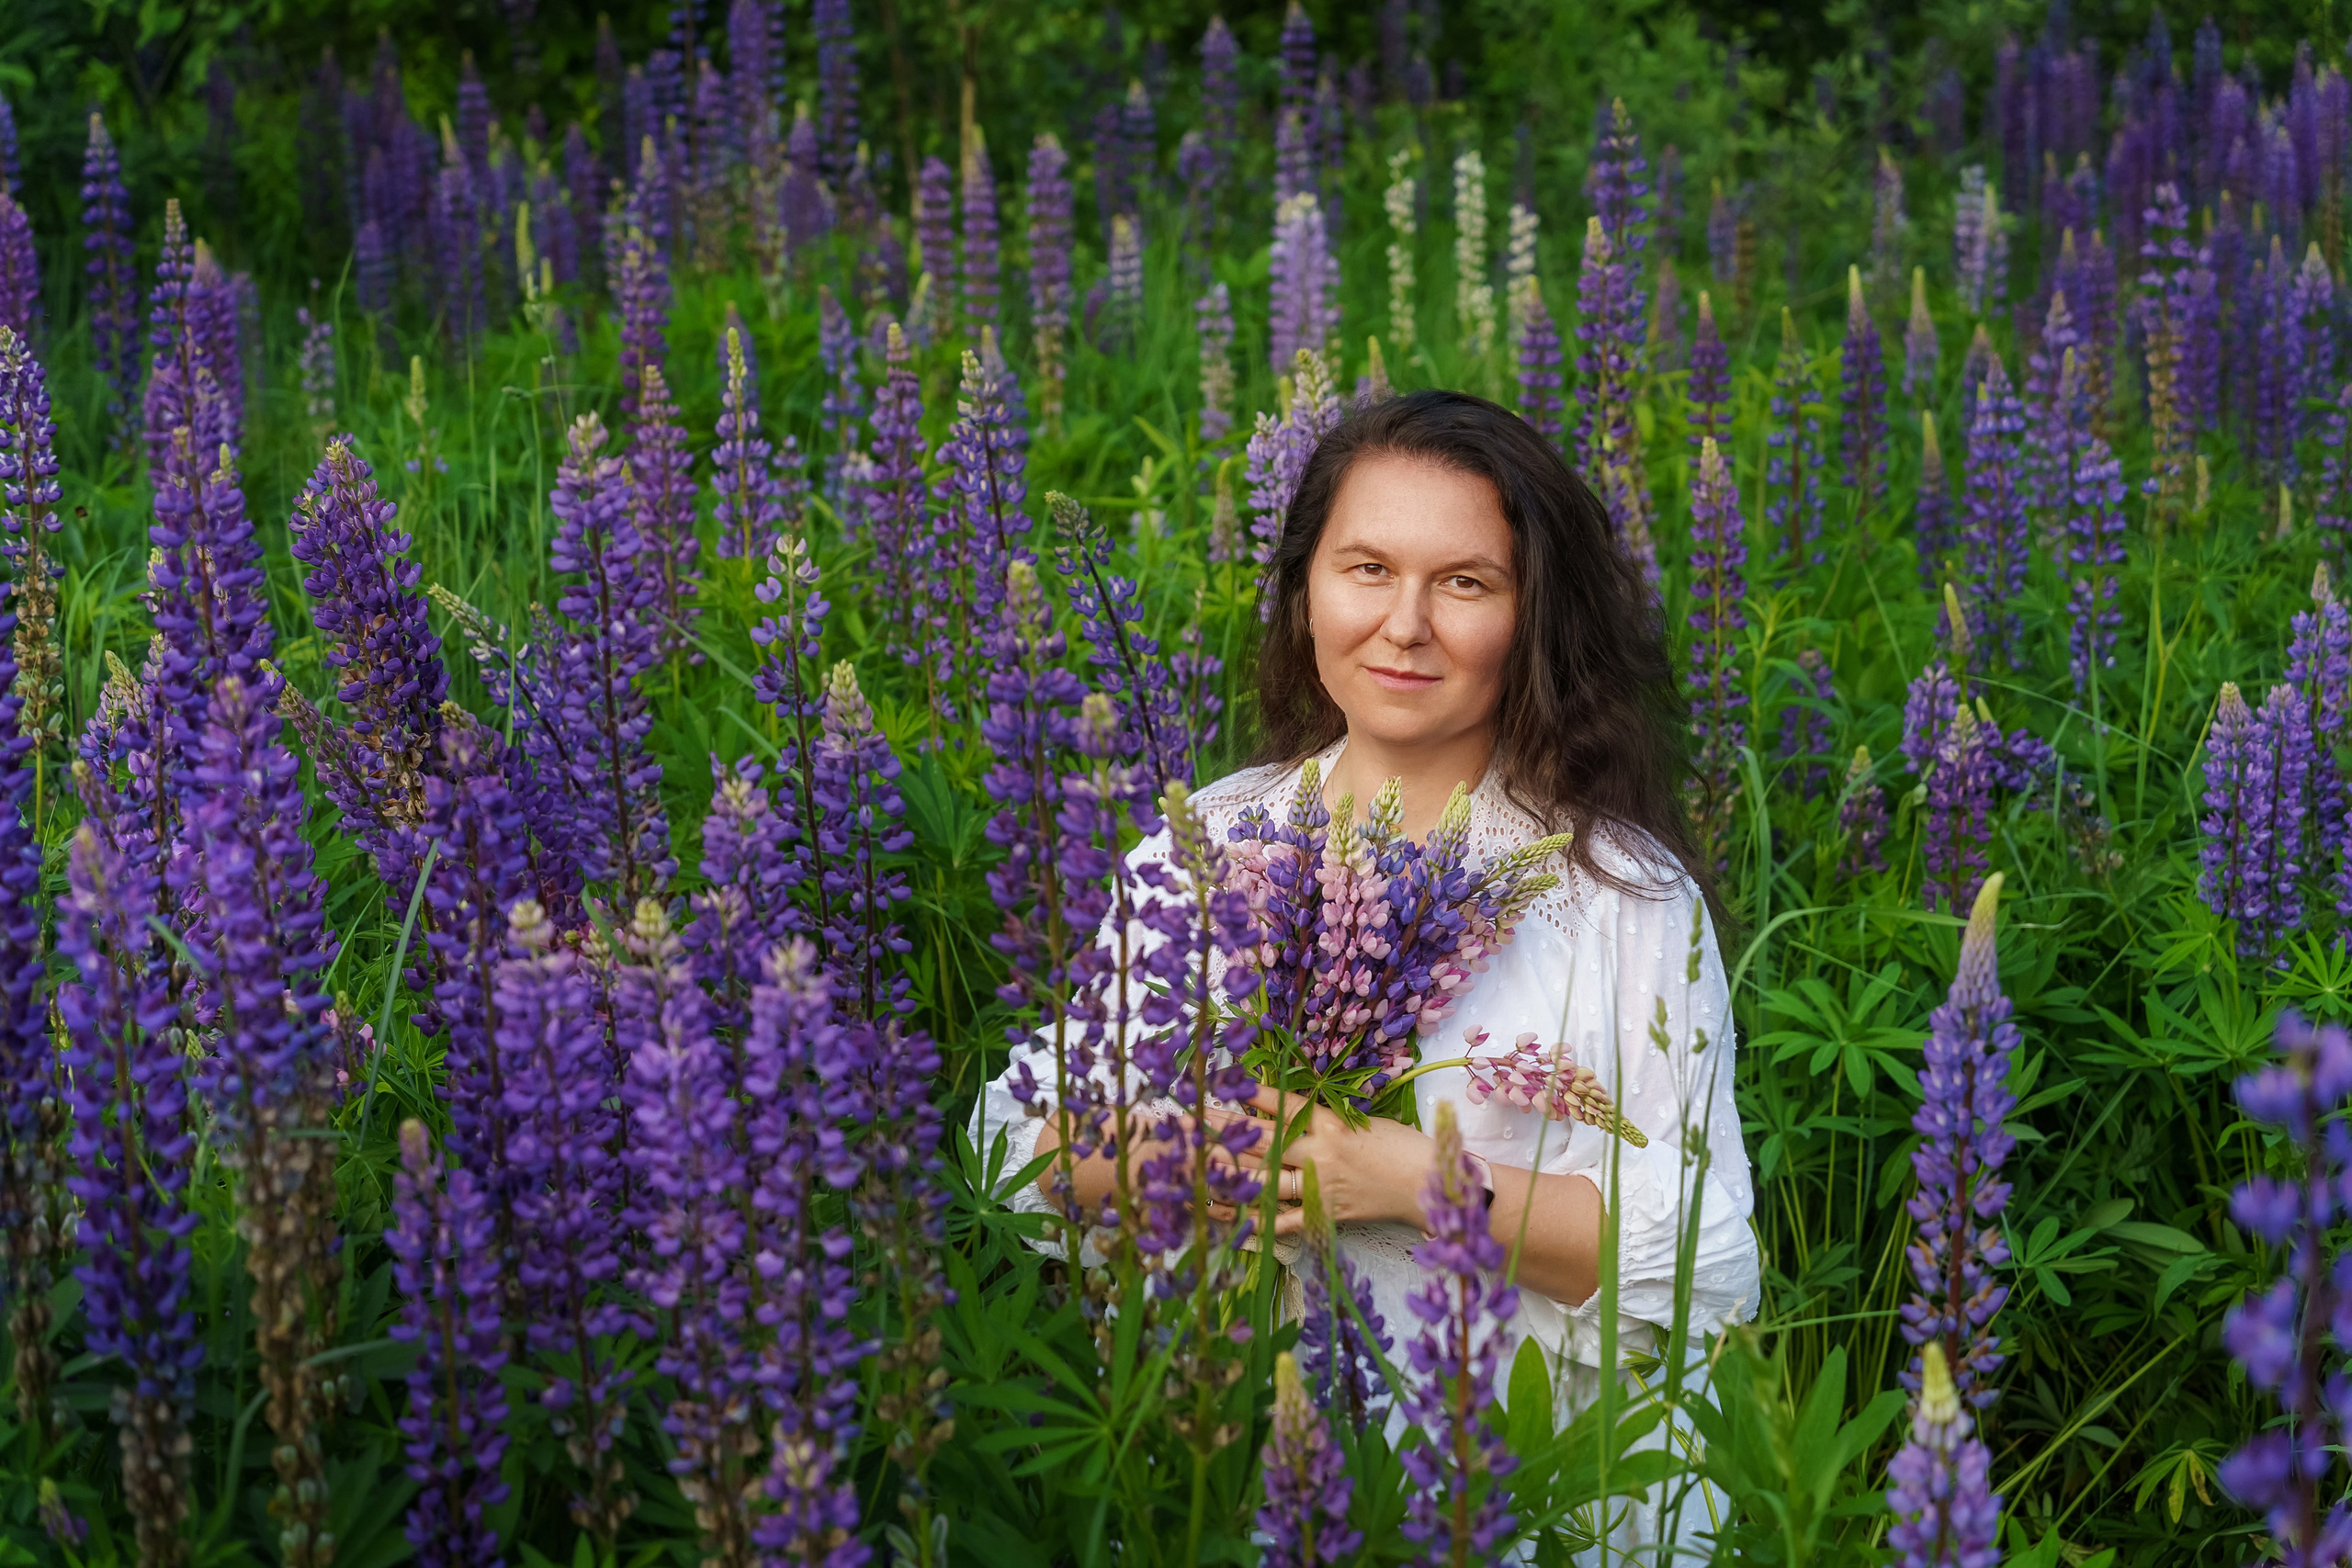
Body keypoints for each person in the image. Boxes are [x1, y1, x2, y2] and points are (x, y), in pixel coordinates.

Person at [972, 389, 1758, 1550]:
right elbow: (1010, 1148)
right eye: (1366, 569)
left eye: (1464, 583)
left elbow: (1702, 1260)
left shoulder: (1621, 899)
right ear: (1304, 592)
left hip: (1528, 1502)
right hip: (1226, 1472)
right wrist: (1211, 1153)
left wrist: (1421, 1185)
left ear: (1533, 616)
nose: (1404, 625)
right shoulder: (1204, 847)